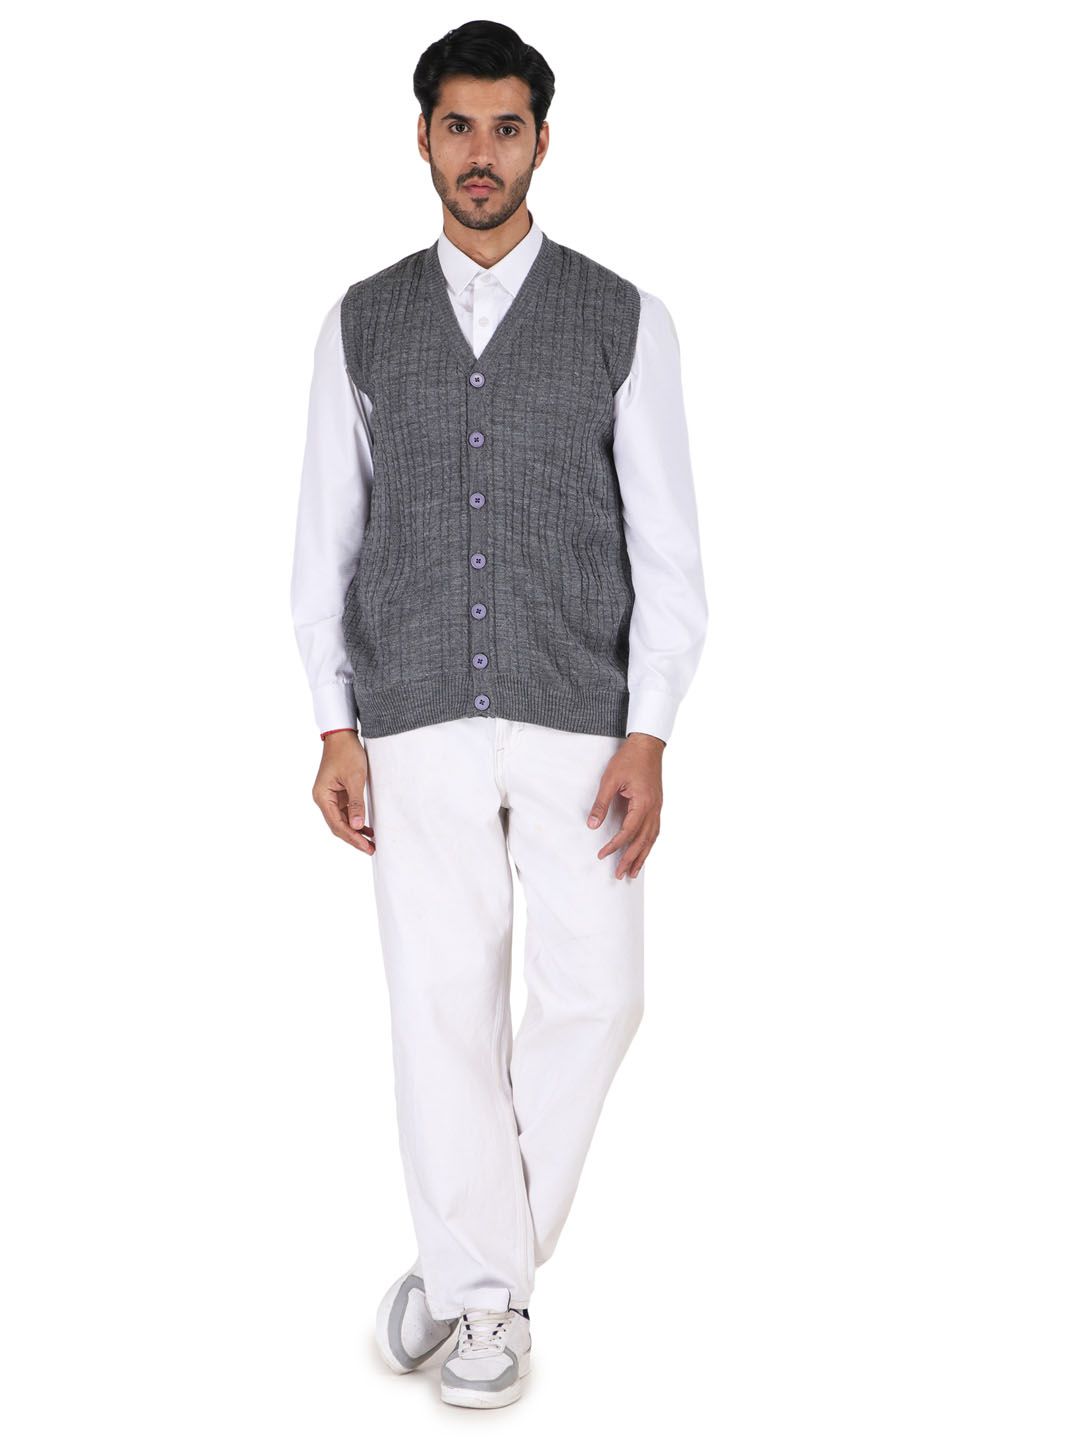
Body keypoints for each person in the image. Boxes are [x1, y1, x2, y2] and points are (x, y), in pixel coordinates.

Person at [289, 19, 708, 1410]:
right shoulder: (360, 321)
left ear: (541, 141)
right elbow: (326, 537)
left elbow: (669, 549)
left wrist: (651, 726)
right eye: (458, 127)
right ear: (422, 138)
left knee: (604, 993)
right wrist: (332, 722)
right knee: (441, 1008)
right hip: (410, 712)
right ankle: (486, 1308)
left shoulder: (622, 317)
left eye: (506, 128)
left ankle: (462, 1267)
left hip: (582, 715)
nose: (482, 154)